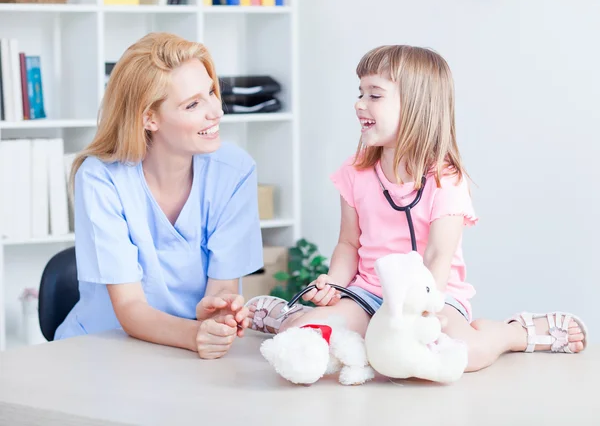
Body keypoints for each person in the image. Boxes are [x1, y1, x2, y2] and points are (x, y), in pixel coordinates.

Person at [246, 45, 588, 371]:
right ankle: (288, 318)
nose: (359, 104)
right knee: (308, 337)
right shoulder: (355, 174)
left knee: (464, 354)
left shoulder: (447, 181)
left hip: (430, 296)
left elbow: (438, 256)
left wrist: (419, 312)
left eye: (374, 95)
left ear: (415, 106)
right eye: (360, 92)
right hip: (369, 294)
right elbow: (349, 243)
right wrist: (335, 282)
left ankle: (515, 333)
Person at [54, 32, 263, 360]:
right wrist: (196, 334)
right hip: (102, 351)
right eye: (193, 104)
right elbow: (130, 308)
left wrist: (218, 316)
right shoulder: (100, 178)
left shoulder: (234, 171)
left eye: (211, 92)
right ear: (149, 117)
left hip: (183, 353)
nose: (216, 111)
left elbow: (222, 289)